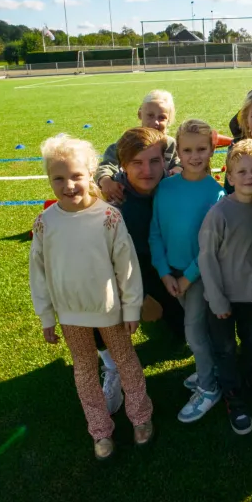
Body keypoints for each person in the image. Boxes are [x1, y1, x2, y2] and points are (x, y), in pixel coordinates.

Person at [29, 135, 153, 460]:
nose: (69, 185)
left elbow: (126, 267)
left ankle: (141, 417)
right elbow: (38, 275)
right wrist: (46, 317)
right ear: (49, 179)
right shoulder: (45, 223)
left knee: (126, 362)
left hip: (110, 311)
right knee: (84, 371)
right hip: (70, 316)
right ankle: (100, 430)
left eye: (76, 176)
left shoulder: (108, 217)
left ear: (90, 174)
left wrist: (130, 307)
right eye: (59, 178)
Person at [97, 126, 185, 416]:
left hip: (163, 266)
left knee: (183, 334)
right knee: (93, 296)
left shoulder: (174, 187)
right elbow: (102, 265)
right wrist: (139, 297)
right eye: (137, 163)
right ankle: (110, 365)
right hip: (123, 272)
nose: (147, 170)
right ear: (123, 165)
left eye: (154, 161)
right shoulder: (111, 202)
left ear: (166, 161)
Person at [148, 118, 226, 423]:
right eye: (188, 149)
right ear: (178, 151)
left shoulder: (215, 194)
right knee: (197, 332)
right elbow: (155, 233)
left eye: (201, 149)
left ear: (211, 151)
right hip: (173, 275)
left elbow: (209, 249)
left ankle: (209, 387)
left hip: (198, 277)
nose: (195, 156)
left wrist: (185, 278)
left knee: (194, 333)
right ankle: (210, 369)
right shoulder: (165, 189)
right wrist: (165, 272)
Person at [199, 139, 252, 435]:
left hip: (251, 297)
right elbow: (206, 259)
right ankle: (233, 395)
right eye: (241, 172)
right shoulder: (219, 213)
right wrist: (217, 301)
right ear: (229, 177)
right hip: (221, 299)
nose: (249, 177)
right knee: (225, 350)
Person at [98, 90, 179, 204]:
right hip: (132, 197)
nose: (155, 122)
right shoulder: (129, 141)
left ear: (169, 120)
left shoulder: (171, 143)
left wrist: (179, 168)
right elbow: (108, 163)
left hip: (163, 199)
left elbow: (181, 162)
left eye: (162, 117)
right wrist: (105, 179)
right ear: (140, 114)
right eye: (150, 115)